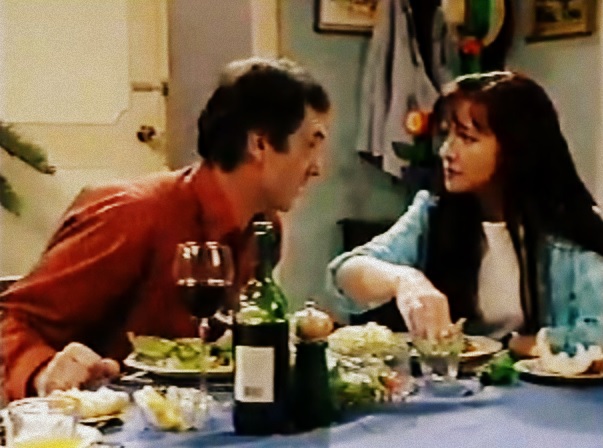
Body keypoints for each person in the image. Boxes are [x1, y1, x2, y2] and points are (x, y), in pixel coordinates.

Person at [1, 57, 331, 400]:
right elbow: (10, 319)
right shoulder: (133, 214)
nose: (317, 168)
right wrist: (42, 372)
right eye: (311, 144)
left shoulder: (264, 230)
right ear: (259, 144)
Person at [328, 71, 603, 354]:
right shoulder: (433, 212)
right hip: (455, 378)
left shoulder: (568, 228)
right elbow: (345, 274)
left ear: (515, 148)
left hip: (540, 380)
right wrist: (404, 280)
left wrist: (522, 345)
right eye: (446, 135)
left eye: (467, 138)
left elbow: (598, 333)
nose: (447, 151)